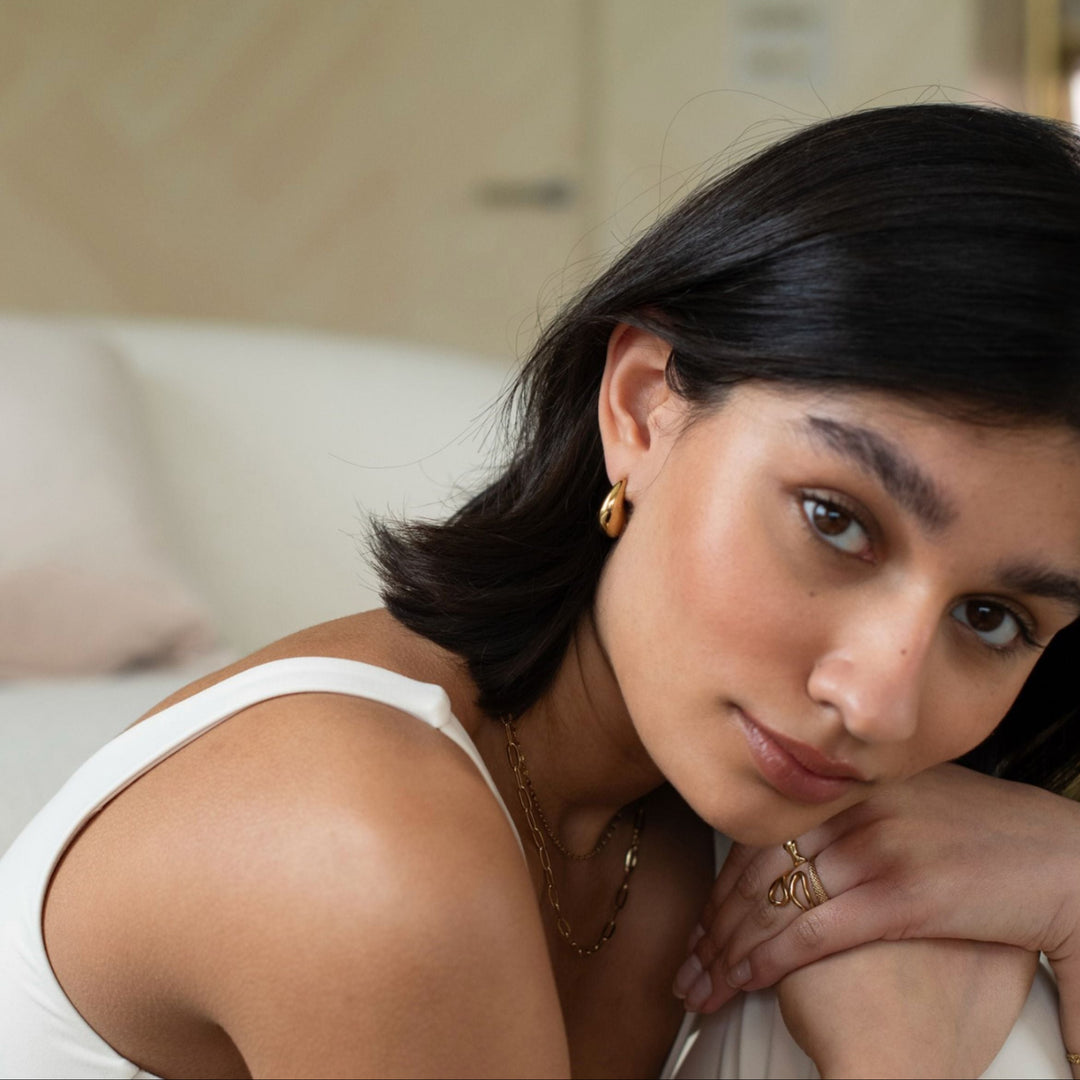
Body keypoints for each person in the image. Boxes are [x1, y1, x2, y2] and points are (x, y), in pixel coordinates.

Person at [2, 102, 1080, 1080]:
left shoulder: (755, 810)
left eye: (993, 619)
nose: (880, 703)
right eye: (834, 521)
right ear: (643, 407)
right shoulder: (359, 849)